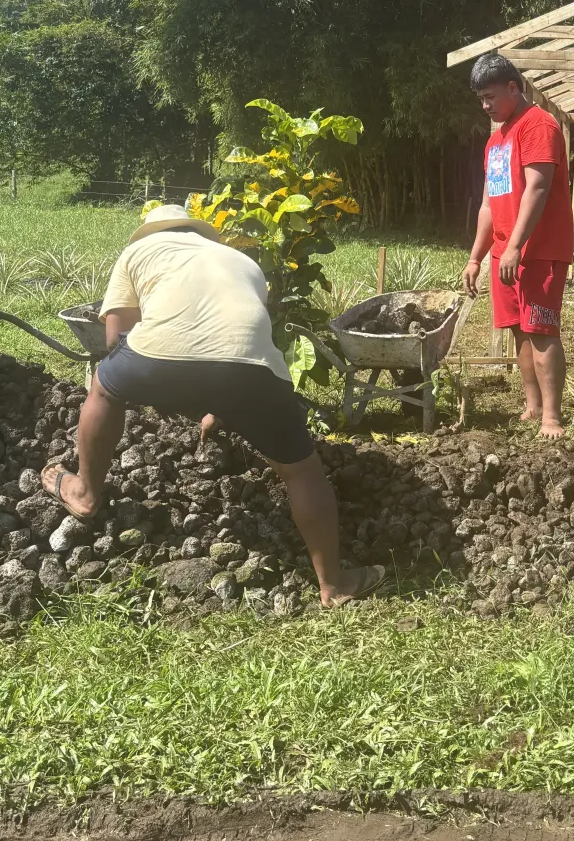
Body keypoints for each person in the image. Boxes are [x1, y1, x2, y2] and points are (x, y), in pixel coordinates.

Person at [39, 204, 381, 609]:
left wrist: (152, 383)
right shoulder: (242, 261)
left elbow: (115, 339)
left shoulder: (138, 251)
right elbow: (232, 340)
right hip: (255, 370)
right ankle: (333, 586)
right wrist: (216, 404)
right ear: (199, 233)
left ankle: (84, 491)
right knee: (302, 471)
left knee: (104, 386)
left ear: (151, 232)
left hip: (154, 358)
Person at [461, 53, 574, 438]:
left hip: (538, 249)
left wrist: (515, 246)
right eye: (480, 99)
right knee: (519, 331)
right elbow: (489, 204)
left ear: (513, 87)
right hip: (504, 253)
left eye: (490, 96)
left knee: (541, 329)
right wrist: (476, 257)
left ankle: (552, 417)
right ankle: (533, 406)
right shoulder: (496, 140)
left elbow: (537, 189)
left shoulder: (538, 125)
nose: (485, 106)